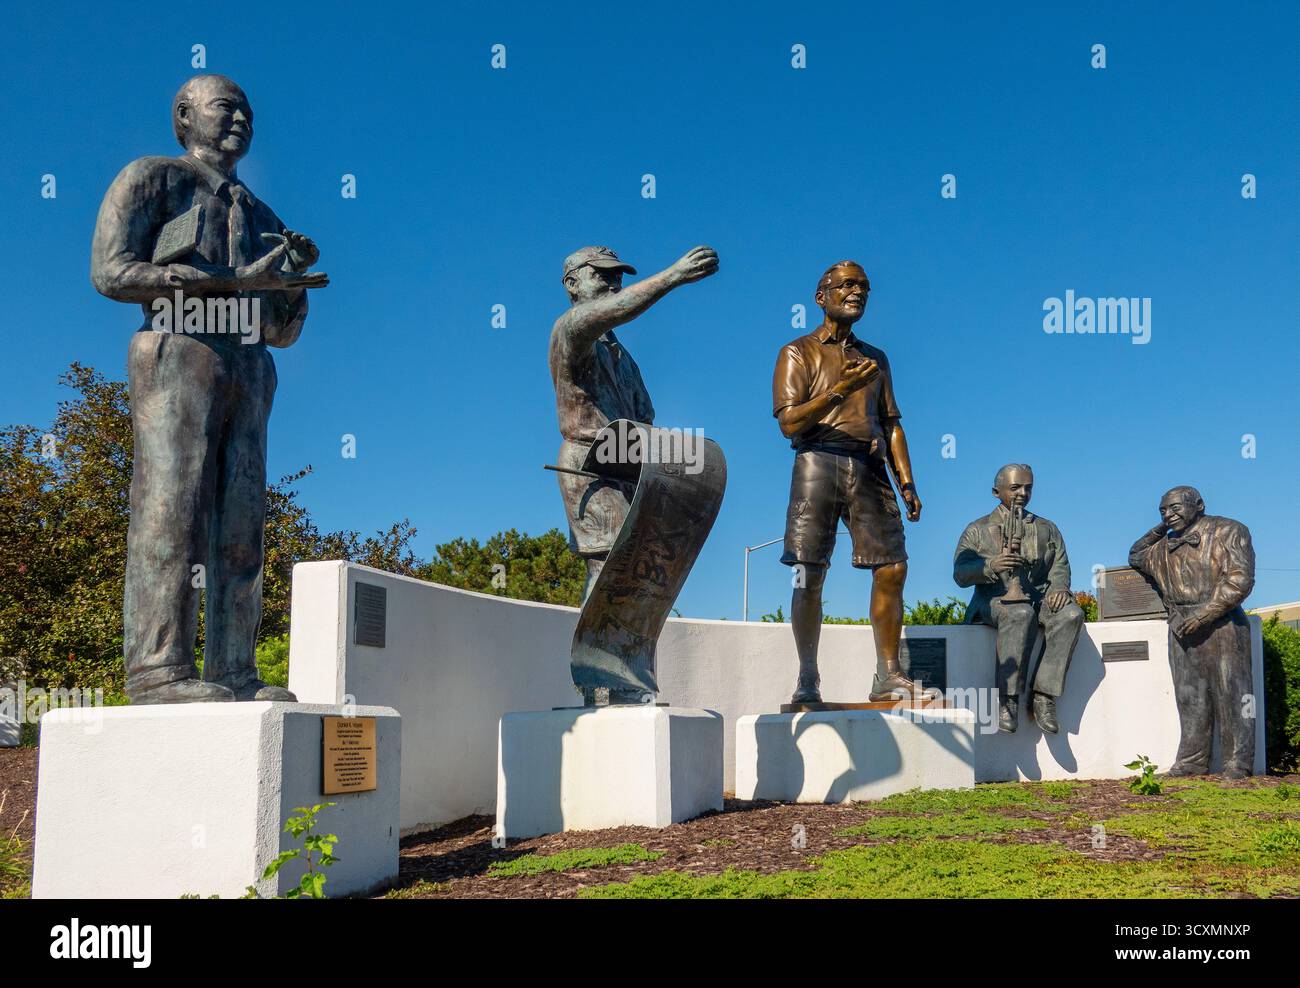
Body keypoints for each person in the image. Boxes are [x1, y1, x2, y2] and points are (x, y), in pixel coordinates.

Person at [90, 75, 328, 703]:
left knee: (241, 525)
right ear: (184, 116)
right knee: (173, 508)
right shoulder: (152, 178)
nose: (242, 119)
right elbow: (111, 274)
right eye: (228, 107)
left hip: (248, 365)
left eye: (249, 110)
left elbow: (281, 331)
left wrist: (291, 280)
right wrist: (223, 283)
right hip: (179, 351)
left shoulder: (264, 215)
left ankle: (232, 669)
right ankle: (158, 670)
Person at [772, 260, 923, 704]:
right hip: (817, 462)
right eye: (847, 286)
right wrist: (838, 390)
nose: (857, 293)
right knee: (808, 573)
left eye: (864, 287)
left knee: (893, 566)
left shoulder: (877, 358)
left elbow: (892, 423)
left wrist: (908, 483)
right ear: (822, 296)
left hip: (871, 467)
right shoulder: (796, 352)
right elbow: (788, 423)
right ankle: (807, 676)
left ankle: (889, 674)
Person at [548, 245, 718, 601]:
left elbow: (645, 420)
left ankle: (625, 650)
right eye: (602, 273)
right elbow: (615, 310)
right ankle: (593, 653)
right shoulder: (570, 330)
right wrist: (674, 276)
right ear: (572, 284)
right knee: (609, 563)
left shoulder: (624, 358)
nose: (615, 282)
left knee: (637, 569)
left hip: (630, 467)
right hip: (590, 465)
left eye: (618, 274)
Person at [1129, 487, 1256, 778]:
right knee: (1189, 696)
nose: (1168, 514)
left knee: (1233, 694)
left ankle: (1237, 764)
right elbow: (1135, 555)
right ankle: (1191, 762)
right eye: (1162, 511)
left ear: (1198, 504)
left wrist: (1204, 614)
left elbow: (1240, 579)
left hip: (1221, 621)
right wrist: (1163, 526)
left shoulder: (1230, 530)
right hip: (1181, 626)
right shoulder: (1162, 545)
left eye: (1174, 508)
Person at [953, 464, 1084, 733]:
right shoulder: (977, 529)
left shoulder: (1047, 527)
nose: (1022, 493)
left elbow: (1059, 565)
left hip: (1038, 597)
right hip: (994, 600)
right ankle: (1008, 700)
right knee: (1019, 613)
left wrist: (1059, 587)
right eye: (1015, 487)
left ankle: (1043, 695)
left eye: (1028, 487)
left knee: (1071, 615)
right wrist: (990, 566)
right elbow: (960, 573)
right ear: (996, 491)